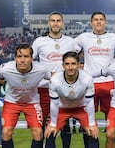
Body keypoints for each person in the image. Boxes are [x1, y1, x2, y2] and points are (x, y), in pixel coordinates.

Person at [0, 43, 53, 148]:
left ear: (31, 58)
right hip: (12, 102)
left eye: (26, 56)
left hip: (32, 103)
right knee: (6, 132)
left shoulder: (41, 69)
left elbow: (54, 77)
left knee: (38, 132)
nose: (22, 60)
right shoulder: (6, 68)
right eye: (19, 56)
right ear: (15, 58)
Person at [31, 11, 80, 148]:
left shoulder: (71, 42)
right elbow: (29, 61)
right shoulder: (39, 42)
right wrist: (45, 73)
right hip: (44, 89)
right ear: (49, 23)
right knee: (40, 126)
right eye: (53, 20)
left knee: (65, 126)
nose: (55, 23)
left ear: (62, 23)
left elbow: (79, 59)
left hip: (64, 89)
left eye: (58, 20)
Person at [74, 11, 115, 128]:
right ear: (91, 23)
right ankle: (91, 139)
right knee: (89, 114)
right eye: (96, 19)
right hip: (90, 81)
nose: (99, 21)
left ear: (105, 22)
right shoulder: (83, 37)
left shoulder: (113, 37)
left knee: (111, 113)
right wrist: (78, 64)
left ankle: (111, 138)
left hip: (109, 81)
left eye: (101, 19)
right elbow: (70, 52)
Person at [44, 52, 99, 148]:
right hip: (62, 109)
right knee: (50, 134)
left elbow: (89, 101)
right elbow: (54, 103)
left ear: (78, 65)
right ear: (63, 65)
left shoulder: (87, 78)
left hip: (81, 108)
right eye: (67, 64)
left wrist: (92, 124)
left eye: (73, 64)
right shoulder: (55, 80)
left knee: (93, 133)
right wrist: (52, 124)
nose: (70, 67)